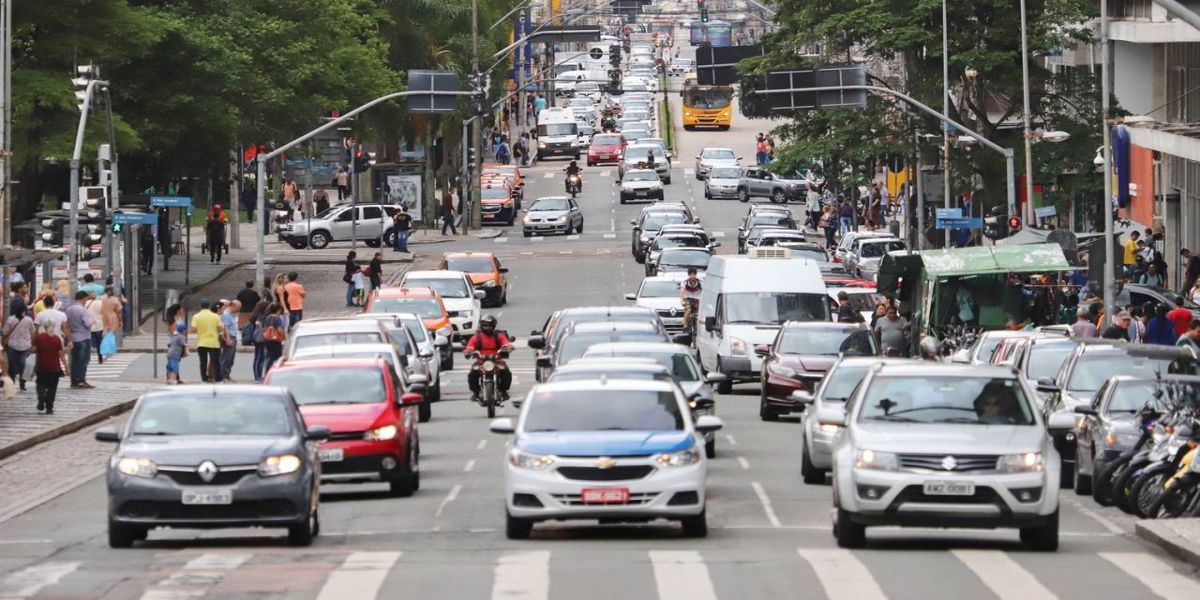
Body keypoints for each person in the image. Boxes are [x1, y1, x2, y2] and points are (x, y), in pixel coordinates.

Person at [464, 315, 514, 403]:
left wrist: (508, 347)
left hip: (496, 361)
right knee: (472, 374)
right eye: (485, 325)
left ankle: (503, 391)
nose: (488, 327)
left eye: (490, 325)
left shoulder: (498, 335)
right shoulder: (477, 337)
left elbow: (506, 343)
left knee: (506, 372)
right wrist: (468, 351)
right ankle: (476, 392)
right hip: (481, 362)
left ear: (494, 325)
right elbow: (470, 346)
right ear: (481, 325)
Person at [32, 321, 65, 414]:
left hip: (41, 366)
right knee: (52, 387)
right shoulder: (56, 339)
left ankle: (41, 398)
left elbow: (33, 349)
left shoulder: (39, 337)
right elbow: (61, 354)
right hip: (54, 367)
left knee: (40, 384)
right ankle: (49, 407)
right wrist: (66, 367)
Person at [64, 291, 94, 389]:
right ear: (83, 298)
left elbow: (66, 323)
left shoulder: (69, 309)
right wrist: (92, 320)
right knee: (83, 360)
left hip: (73, 337)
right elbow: (88, 324)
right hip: (83, 337)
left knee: (75, 360)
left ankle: (74, 380)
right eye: (86, 299)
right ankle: (81, 380)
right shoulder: (83, 310)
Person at [189, 298, 224, 383]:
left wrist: (201, 329)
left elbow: (193, 330)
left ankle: (204, 378)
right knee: (215, 361)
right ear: (209, 306)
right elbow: (220, 329)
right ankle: (218, 378)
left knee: (203, 362)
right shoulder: (215, 316)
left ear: (200, 306)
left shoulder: (196, 316)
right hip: (213, 342)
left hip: (201, 342)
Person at [3, 305, 34, 392]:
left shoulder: (10, 319)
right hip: (25, 345)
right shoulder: (29, 320)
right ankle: (22, 384)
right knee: (22, 365)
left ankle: (12, 383)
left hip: (12, 345)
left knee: (12, 365)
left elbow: (5, 332)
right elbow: (33, 332)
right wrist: (32, 344)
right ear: (24, 311)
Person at [260, 303, 287, 374]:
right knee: (279, 356)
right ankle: (277, 370)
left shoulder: (268, 317)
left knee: (270, 355)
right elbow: (279, 329)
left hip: (268, 339)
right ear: (278, 310)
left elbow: (265, 328)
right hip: (276, 340)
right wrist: (285, 336)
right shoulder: (277, 318)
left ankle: (267, 370)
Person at [219, 300, 240, 382]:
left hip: (232, 337)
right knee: (227, 357)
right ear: (233, 306)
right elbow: (226, 327)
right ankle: (224, 375)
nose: (239, 310)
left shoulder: (230, 315)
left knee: (230, 358)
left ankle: (227, 375)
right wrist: (228, 339)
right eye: (238, 308)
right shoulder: (226, 315)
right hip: (230, 337)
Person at [680, 268, 703, 333]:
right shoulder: (685, 281)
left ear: (696, 275)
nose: (692, 276)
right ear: (688, 275)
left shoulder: (700, 281)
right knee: (688, 308)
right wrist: (681, 300)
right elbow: (682, 290)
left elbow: (704, 291)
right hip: (688, 298)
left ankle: (698, 327)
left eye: (694, 274)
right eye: (691, 274)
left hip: (697, 299)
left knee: (699, 312)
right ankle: (685, 324)